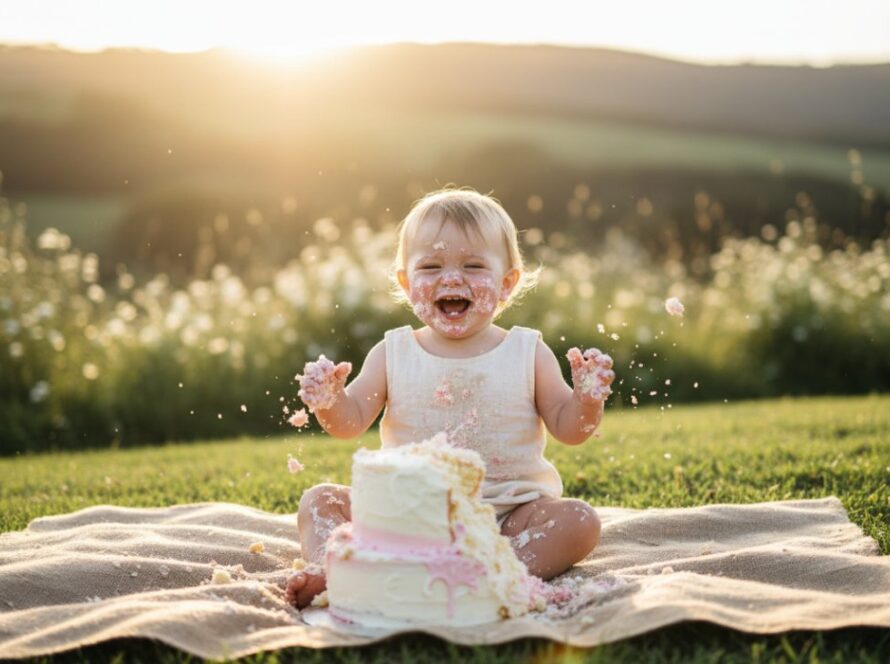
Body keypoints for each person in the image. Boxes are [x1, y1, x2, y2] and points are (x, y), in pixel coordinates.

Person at [285, 187, 615, 608]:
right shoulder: (393, 352)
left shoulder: (527, 352)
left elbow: (570, 430)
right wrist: (330, 401)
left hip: (509, 518)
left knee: (580, 521)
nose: (452, 278)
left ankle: (495, 573)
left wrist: (586, 400)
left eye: (474, 265)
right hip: (406, 515)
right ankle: (334, 569)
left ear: (507, 283)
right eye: (431, 265)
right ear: (406, 283)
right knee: (319, 500)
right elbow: (349, 423)